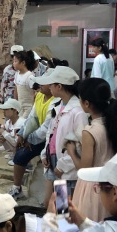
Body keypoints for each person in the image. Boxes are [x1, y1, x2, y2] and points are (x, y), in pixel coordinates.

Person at [65, 78, 117, 221]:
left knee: (87, 225)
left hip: (93, 188)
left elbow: (84, 169)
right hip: (113, 186)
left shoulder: (90, 131)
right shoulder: (115, 125)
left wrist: (71, 151)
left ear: (87, 103)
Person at [37, 66, 89, 207]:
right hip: (55, 159)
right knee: (55, 204)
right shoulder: (59, 105)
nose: (49, 87)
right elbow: (51, 133)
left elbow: (80, 146)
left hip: (66, 166)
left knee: (63, 206)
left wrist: (63, 166)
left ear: (59, 86)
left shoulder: (78, 112)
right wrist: (45, 153)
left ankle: (63, 221)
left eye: (51, 84)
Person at [8, 71, 60, 200]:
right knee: (53, 178)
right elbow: (34, 118)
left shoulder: (61, 105)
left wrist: (30, 139)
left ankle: (59, 207)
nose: (39, 84)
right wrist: (23, 135)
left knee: (59, 179)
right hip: (49, 142)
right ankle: (56, 207)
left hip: (57, 147)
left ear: (58, 86)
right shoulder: (42, 97)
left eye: (47, 83)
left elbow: (48, 128)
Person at [13, 50, 37, 118]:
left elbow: (36, 93)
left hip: (28, 109)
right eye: (13, 61)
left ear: (23, 63)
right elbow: (16, 89)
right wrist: (15, 104)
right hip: (20, 108)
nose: (13, 63)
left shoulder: (30, 76)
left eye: (15, 61)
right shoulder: (17, 74)